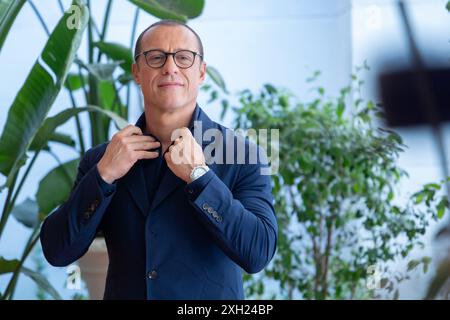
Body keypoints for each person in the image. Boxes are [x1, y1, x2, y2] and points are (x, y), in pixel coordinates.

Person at [40, 20, 277, 300]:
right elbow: (58, 251)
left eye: (183, 57)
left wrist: (200, 177)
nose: (170, 67)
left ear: (201, 72)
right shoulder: (102, 159)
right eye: (156, 57)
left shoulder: (243, 155)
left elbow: (258, 252)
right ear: (137, 72)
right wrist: (102, 176)